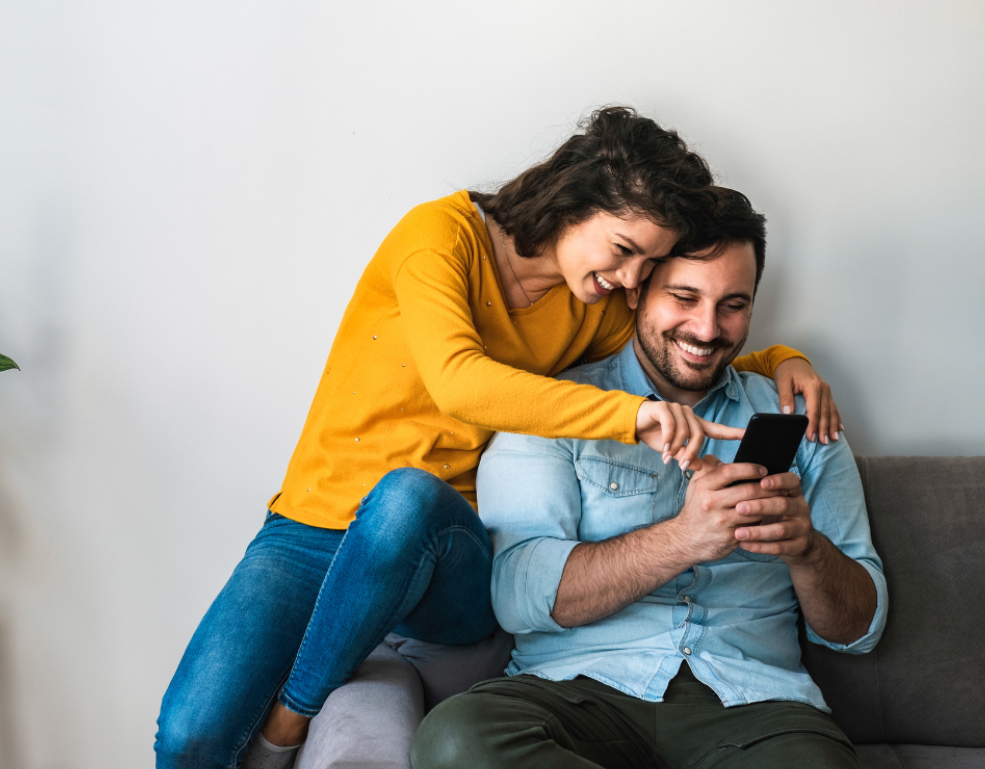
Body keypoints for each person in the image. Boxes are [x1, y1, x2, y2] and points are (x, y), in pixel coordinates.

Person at [154, 108, 842, 769]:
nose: (631, 281)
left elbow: (684, 347)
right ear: (574, 202)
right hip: (315, 524)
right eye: (626, 251)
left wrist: (782, 359)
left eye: (647, 265)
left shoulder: (592, 306)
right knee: (186, 737)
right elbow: (460, 380)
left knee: (407, 502)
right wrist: (629, 418)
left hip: (441, 549)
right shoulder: (440, 236)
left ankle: (290, 719)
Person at [411, 187, 887, 769]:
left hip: (757, 711)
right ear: (636, 290)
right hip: (575, 696)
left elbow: (859, 630)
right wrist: (684, 539)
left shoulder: (802, 418)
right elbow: (515, 595)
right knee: (457, 739)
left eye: (733, 305)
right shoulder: (555, 408)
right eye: (684, 297)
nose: (707, 328)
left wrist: (807, 550)